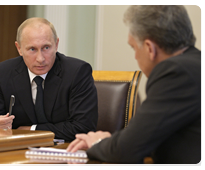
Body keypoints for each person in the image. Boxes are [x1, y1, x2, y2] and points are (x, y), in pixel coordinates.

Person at [67, 5, 203, 165]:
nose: (136, 56)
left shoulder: (176, 72)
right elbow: (147, 136)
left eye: (134, 48)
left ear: (149, 48)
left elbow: (127, 150)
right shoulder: (197, 64)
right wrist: (114, 141)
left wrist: (97, 143)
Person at [0, 17, 98, 142]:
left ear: (56, 45)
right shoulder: (4, 72)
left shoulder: (77, 72)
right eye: (32, 49)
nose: (40, 59)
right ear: (19, 48)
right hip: (17, 151)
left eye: (46, 48)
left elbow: (83, 127)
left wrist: (32, 130)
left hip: (65, 151)